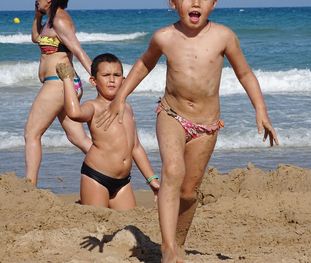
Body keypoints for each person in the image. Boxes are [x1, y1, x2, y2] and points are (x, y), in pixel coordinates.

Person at [97, 0, 279, 261]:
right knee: (172, 171)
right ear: (173, 3)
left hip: (206, 125)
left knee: (189, 192)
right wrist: (120, 97)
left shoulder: (224, 36)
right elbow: (143, 65)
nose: (195, 2)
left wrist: (260, 110)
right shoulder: (164, 37)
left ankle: (179, 241)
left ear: (214, 3)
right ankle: (168, 246)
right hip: (172, 114)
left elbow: (245, 74)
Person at [56, 53, 160, 210]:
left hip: (123, 181)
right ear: (94, 81)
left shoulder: (128, 109)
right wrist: (67, 79)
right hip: (96, 177)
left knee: (127, 224)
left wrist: (152, 180)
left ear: (124, 81)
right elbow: (74, 113)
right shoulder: (94, 106)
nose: (112, 80)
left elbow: (136, 147)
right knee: (97, 224)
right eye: (105, 75)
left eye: (117, 75)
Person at [25, 0, 92, 186]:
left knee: (31, 133)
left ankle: (29, 187)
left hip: (59, 83)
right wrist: (38, 15)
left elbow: (78, 51)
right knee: (77, 137)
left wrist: (95, 76)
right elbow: (35, 37)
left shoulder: (61, 20)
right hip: (63, 83)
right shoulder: (49, 20)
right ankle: (110, 166)